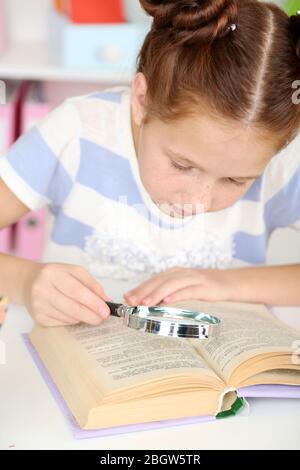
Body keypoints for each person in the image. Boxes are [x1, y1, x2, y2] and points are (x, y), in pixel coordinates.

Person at [0, 0, 300, 327]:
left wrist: (229, 284)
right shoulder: (77, 133)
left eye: (235, 181)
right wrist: (26, 282)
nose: (198, 200)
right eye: (182, 165)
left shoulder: (277, 164)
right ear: (142, 101)